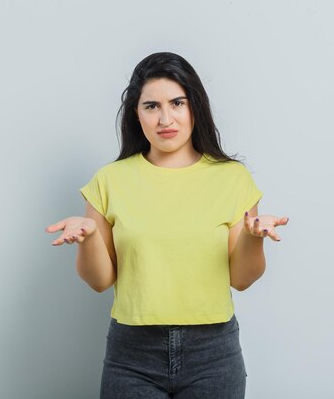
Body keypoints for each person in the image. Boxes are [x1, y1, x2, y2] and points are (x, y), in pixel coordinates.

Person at [45, 52, 288, 399]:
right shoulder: (109, 181)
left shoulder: (232, 178)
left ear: (195, 107)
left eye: (177, 103)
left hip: (213, 356)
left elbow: (242, 279)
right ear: (136, 114)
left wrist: (254, 238)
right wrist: (88, 238)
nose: (165, 118)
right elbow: (100, 281)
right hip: (132, 356)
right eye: (151, 106)